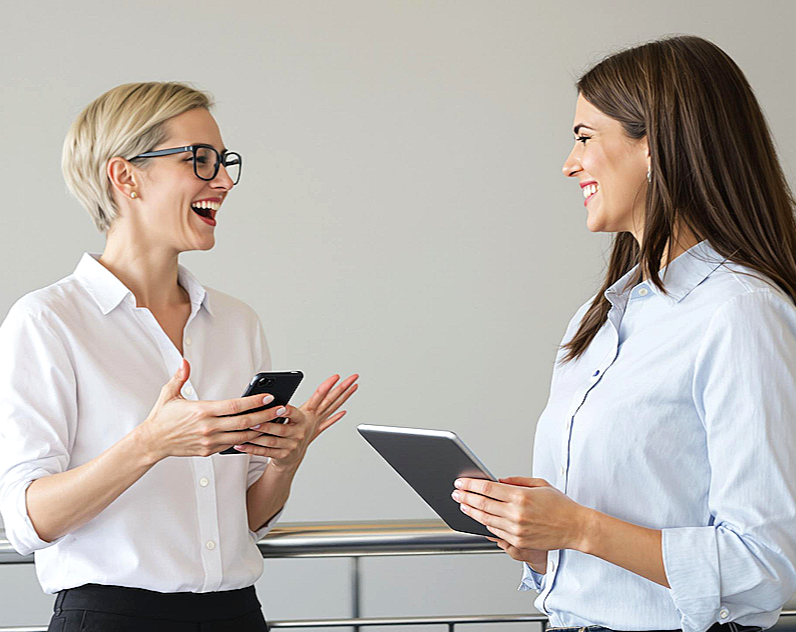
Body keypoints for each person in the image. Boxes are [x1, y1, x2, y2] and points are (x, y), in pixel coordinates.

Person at [452, 35, 796, 632]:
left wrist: (579, 527)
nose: (569, 162)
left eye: (585, 137)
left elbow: (766, 564)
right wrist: (540, 540)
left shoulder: (740, 313)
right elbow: (619, 539)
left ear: (656, 148)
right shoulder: (598, 318)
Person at [0, 81, 358, 631]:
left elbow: (242, 520)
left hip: (236, 614)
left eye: (225, 161)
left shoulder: (236, 323)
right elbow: (29, 521)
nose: (225, 181)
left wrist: (286, 460)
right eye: (202, 160)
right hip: (111, 618)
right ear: (125, 176)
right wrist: (151, 443)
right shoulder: (48, 320)